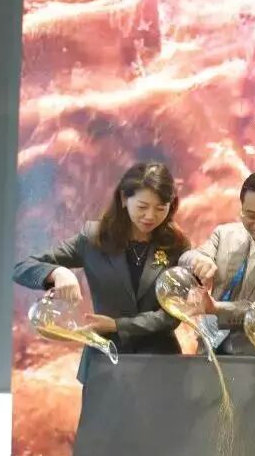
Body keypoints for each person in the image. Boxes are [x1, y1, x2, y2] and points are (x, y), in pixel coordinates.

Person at [13, 162, 189, 382]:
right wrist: (57, 272)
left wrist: (117, 325)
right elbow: (22, 267)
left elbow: (172, 316)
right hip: (104, 362)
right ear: (124, 199)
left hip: (159, 364)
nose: (150, 216)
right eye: (142, 207)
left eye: (160, 208)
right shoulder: (94, 238)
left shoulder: (176, 245)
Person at [179, 170, 255, 354]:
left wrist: (217, 309)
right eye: (251, 215)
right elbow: (186, 258)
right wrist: (198, 260)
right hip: (208, 348)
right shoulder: (225, 234)